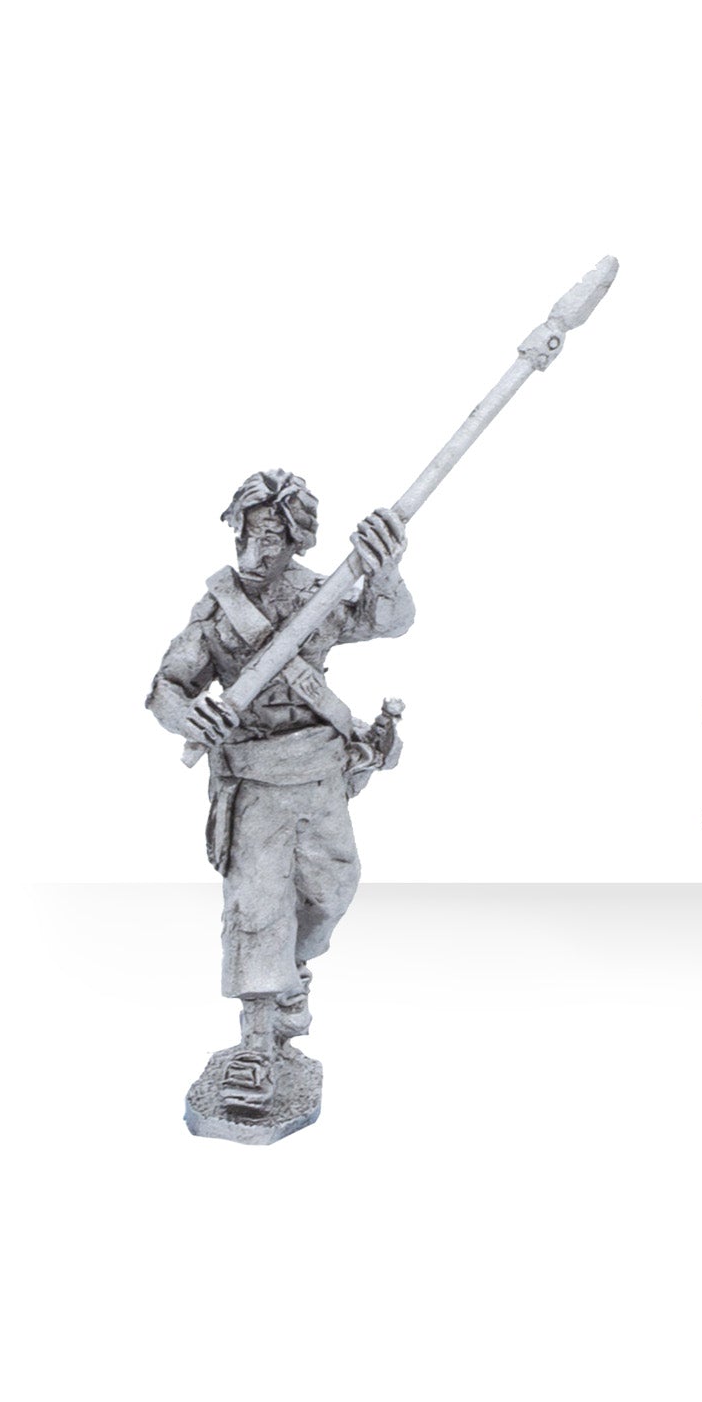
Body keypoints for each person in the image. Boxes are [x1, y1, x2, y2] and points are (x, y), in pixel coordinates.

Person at [147, 468, 411, 1116]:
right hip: (254, 778)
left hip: (319, 772)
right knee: (258, 907)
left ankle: (290, 976)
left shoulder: (321, 594)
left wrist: (384, 568)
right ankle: (257, 1041)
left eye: (274, 534)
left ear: (297, 539)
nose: (259, 546)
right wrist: (190, 716)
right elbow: (167, 687)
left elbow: (389, 621)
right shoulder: (218, 611)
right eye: (250, 531)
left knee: (331, 891)